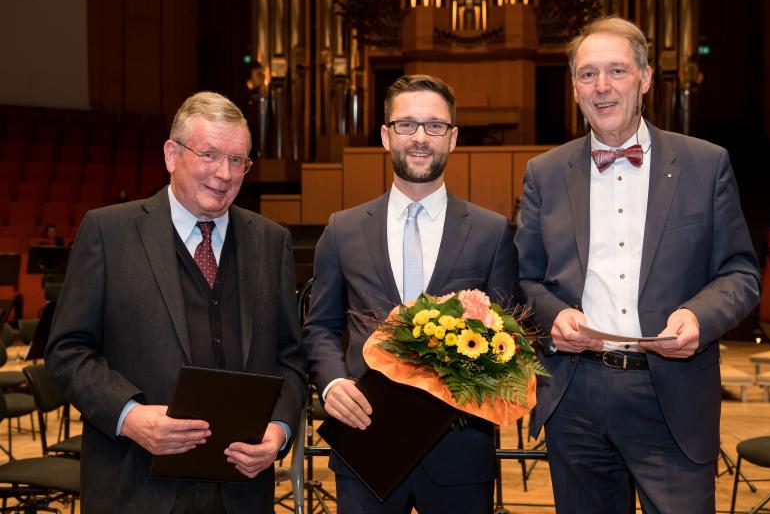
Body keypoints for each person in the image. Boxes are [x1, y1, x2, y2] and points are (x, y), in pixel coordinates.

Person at [515, 16, 760, 513]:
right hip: (575, 396)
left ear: (645, 78)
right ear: (575, 88)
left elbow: (740, 273)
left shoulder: (706, 164)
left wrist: (699, 317)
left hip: (671, 394)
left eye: (617, 71)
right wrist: (553, 315)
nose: (602, 87)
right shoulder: (543, 173)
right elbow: (525, 279)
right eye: (587, 74)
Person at [45, 92, 307, 513]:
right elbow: (66, 351)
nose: (224, 173)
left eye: (238, 160)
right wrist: (128, 416)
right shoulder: (108, 233)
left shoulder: (271, 241)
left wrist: (278, 430)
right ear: (172, 154)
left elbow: (291, 358)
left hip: (241, 492)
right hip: (136, 487)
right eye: (209, 154)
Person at [302, 74, 518, 513]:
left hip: (459, 452)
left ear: (453, 138)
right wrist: (331, 384)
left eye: (435, 126)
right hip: (366, 442)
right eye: (406, 125)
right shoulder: (343, 230)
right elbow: (320, 328)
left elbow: (508, 339)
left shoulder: (491, 232)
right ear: (385, 135)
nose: (420, 138)